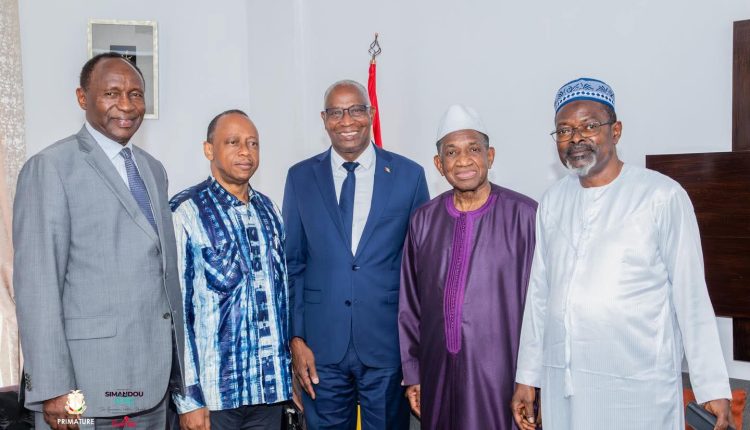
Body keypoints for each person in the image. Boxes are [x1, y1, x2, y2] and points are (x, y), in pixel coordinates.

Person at [511, 77, 732, 430]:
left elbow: (690, 294)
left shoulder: (661, 196)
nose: (576, 138)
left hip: (639, 385)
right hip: (564, 382)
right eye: (564, 130)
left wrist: (713, 386)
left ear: (615, 131)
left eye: (589, 126)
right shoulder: (553, 200)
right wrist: (527, 376)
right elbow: (539, 294)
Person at [13, 52, 184, 429]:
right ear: (82, 98)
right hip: (82, 393)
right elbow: (37, 287)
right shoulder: (51, 167)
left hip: (151, 388)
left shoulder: (153, 170)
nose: (127, 104)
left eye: (136, 94)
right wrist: (52, 388)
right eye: (111, 93)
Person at [283, 79, 429, 429]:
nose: (346, 120)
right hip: (321, 348)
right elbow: (293, 263)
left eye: (356, 110)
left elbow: (420, 269)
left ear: (371, 113)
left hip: (387, 344)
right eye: (336, 112)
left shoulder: (409, 176)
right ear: (324, 119)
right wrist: (296, 339)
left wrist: (415, 349)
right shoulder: (300, 178)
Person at [399, 105, 536, 429]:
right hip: (438, 375)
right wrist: (413, 373)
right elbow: (410, 305)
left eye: (473, 149)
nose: (463, 161)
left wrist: (532, 379)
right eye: (451, 152)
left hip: (504, 378)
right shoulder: (423, 220)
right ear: (439, 164)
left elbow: (542, 307)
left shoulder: (525, 216)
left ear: (490, 155)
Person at [169, 110, 292, 430]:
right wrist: (188, 400)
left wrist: (287, 379)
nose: (245, 152)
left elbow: (282, 302)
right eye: (233, 142)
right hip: (214, 399)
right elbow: (176, 313)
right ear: (209, 149)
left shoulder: (269, 210)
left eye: (253, 143)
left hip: (269, 394)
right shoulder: (185, 211)